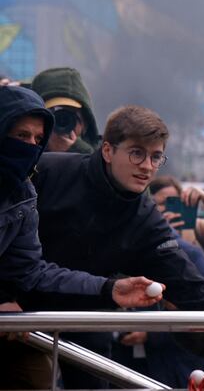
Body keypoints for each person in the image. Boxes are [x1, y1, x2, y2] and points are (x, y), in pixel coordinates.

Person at [6, 104, 204, 388]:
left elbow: (189, 283)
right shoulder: (49, 172)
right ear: (108, 150)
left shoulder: (144, 218)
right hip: (16, 313)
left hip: (86, 318)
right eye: (137, 153)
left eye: (156, 157)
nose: (147, 166)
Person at [0, 86, 164, 389]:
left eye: (37, 139)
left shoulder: (22, 195)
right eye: (21, 136)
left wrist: (109, 289)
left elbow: (29, 271)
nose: (30, 146)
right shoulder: (43, 182)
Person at [28, 67, 101, 154]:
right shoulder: (22, 154)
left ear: (85, 123)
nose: (61, 124)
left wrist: (79, 151)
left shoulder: (107, 154)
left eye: (68, 117)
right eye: (52, 117)